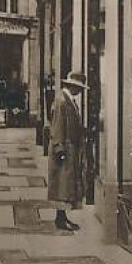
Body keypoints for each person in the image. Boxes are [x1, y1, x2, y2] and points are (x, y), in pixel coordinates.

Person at [47, 71, 87, 231]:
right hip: (64, 148)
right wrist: (59, 149)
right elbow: (57, 126)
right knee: (62, 185)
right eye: (79, 88)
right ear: (73, 86)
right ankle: (60, 218)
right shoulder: (61, 101)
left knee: (66, 185)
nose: (81, 91)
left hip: (70, 148)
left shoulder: (67, 100)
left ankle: (62, 217)